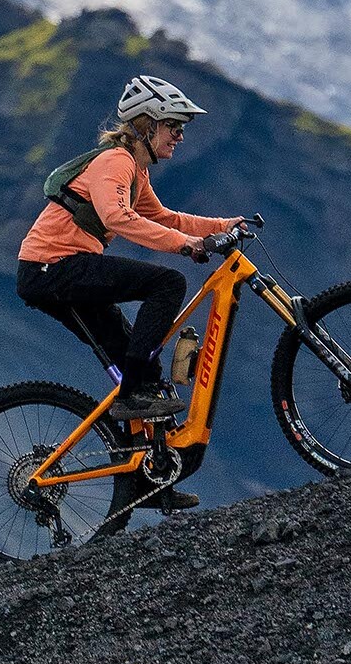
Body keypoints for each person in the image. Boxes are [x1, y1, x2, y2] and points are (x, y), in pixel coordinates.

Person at [16, 76, 245, 507]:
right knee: (168, 283)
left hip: (65, 269)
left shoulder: (135, 170)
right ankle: (134, 389)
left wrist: (224, 226)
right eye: (173, 125)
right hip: (52, 268)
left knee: (144, 373)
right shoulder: (116, 162)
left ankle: (145, 479)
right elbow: (117, 218)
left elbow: (165, 217)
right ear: (145, 124)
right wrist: (186, 248)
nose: (180, 135)